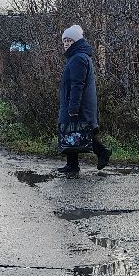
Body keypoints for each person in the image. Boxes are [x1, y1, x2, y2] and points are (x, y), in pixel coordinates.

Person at [56, 24, 109, 176]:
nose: (66, 43)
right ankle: (72, 164)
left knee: (79, 130)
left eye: (70, 40)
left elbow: (77, 85)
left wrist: (73, 108)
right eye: (64, 40)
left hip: (77, 104)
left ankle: (102, 152)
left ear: (77, 41)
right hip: (76, 103)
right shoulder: (76, 56)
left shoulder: (78, 58)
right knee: (74, 131)